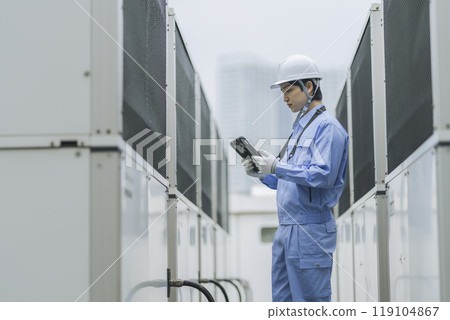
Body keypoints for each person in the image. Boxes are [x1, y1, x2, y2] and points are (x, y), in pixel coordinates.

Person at [242, 55, 348, 302]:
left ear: (309, 87)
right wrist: (263, 173)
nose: (285, 99)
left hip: (310, 229)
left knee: (310, 305)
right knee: (282, 304)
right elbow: (291, 180)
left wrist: (277, 166)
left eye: (288, 90)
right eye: (282, 91)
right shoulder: (300, 128)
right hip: (287, 229)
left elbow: (322, 175)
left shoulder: (327, 128)